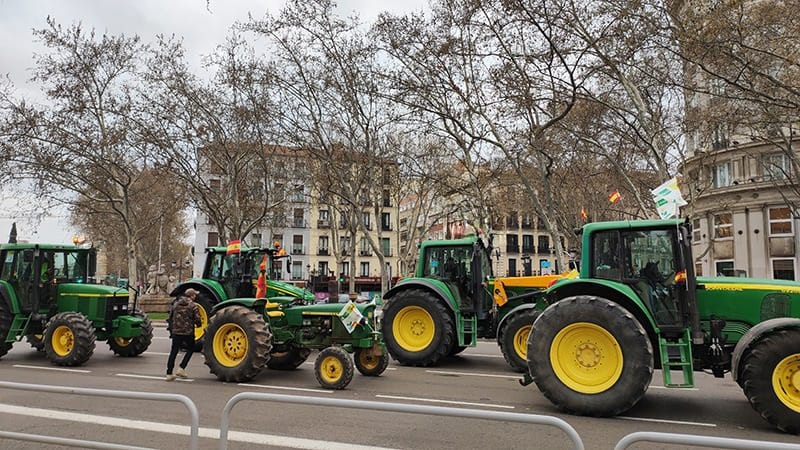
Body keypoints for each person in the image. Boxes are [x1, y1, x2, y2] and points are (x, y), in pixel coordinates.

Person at [165, 288, 202, 381]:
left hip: (176, 331)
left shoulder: (176, 304)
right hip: (188, 332)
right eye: (195, 295)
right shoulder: (193, 305)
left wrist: (172, 328)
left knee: (174, 351)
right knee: (190, 349)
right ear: (192, 296)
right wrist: (198, 325)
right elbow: (197, 319)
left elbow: (170, 317)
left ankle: (169, 373)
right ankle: (181, 368)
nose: (195, 296)